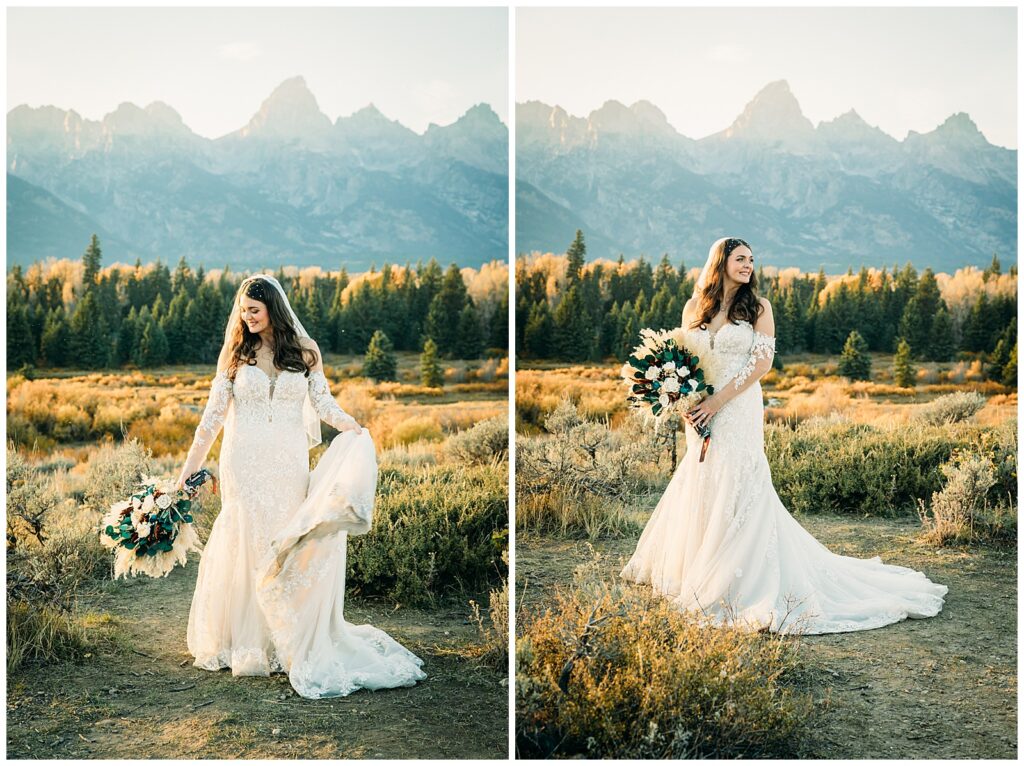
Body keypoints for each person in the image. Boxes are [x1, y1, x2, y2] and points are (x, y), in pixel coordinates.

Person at [620, 238, 948, 634]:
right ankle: (697, 567)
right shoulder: (694, 307)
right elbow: (687, 360)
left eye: (751, 260)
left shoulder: (758, 308)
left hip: (737, 406)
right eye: (740, 259)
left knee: (739, 480)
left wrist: (718, 402)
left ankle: (736, 577)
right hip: (700, 412)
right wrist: (684, 400)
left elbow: (761, 364)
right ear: (721, 262)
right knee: (704, 477)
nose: (748, 265)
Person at [176, 274, 425, 696]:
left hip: (289, 464)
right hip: (245, 462)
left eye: (254, 310)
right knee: (246, 538)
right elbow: (212, 419)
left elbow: (323, 403)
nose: (247, 317)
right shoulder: (235, 354)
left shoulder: (306, 353)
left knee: (285, 540)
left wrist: (352, 427)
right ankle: (245, 641)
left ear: (273, 308)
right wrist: (186, 471)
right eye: (243, 311)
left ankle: (284, 635)